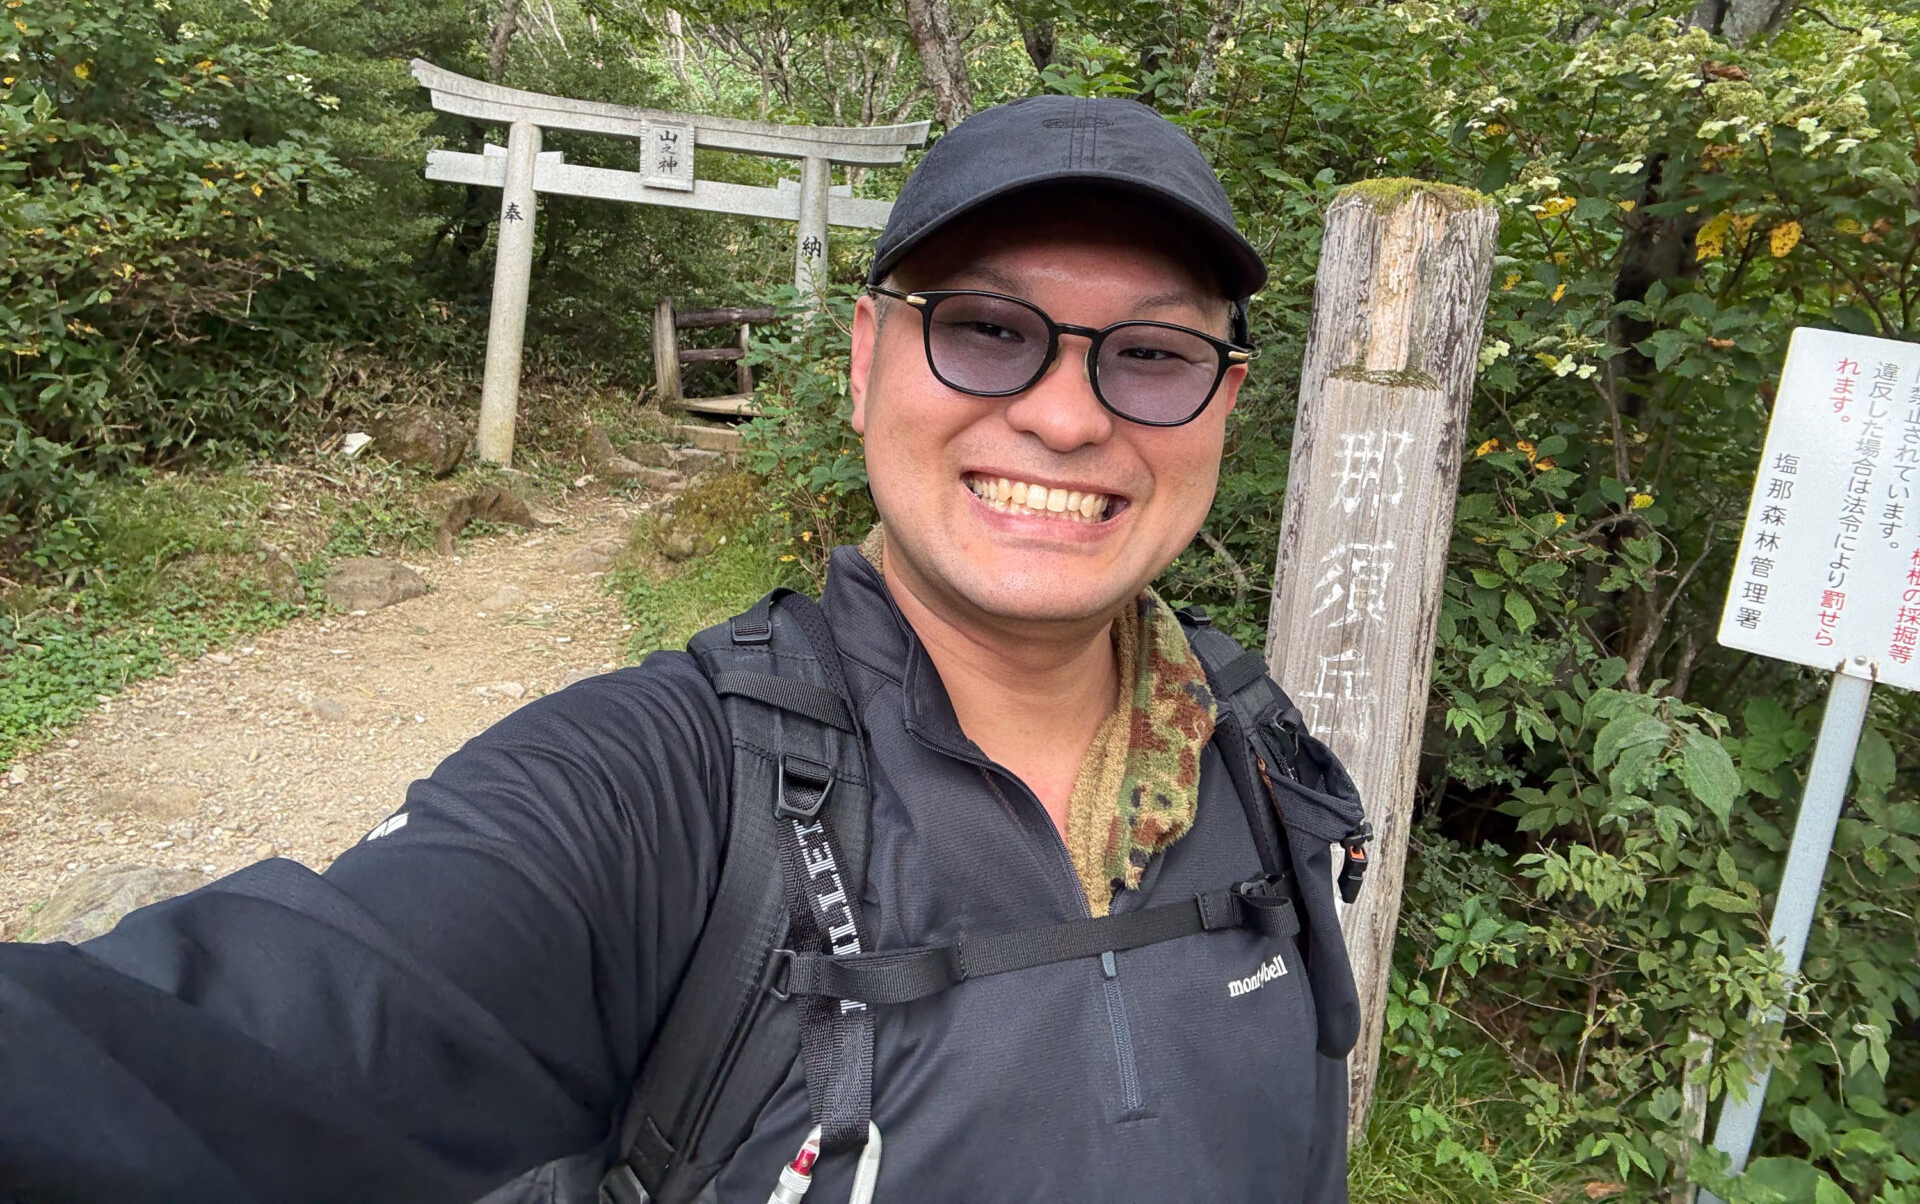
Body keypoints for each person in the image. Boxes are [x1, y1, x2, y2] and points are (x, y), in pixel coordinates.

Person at [0, 96, 1363, 1204]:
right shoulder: (662, 793)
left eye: (1152, 355)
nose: (1066, 418)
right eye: (987, 332)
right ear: (865, 360)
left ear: (1225, 404)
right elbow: (212, 1056)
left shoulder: (1256, 753)